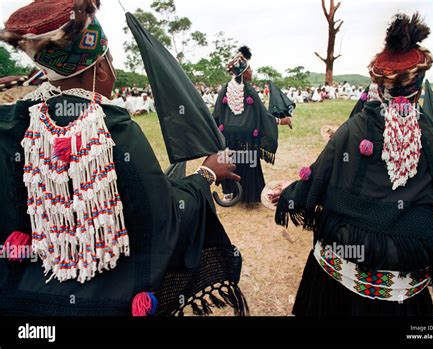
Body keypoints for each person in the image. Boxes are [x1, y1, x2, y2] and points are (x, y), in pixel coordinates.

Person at [0, 0, 248, 316]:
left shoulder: (9, 125)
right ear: (101, 68)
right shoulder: (113, 128)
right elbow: (163, 218)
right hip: (106, 306)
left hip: (19, 304)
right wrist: (205, 175)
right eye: (112, 61)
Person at [270, 13, 433, 317]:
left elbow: (318, 178)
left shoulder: (354, 129)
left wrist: (291, 193)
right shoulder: (429, 136)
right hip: (402, 284)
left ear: (378, 86)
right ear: (418, 90)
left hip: (342, 277)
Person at [213, 46, 290, 205]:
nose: (252, 71)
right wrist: (282, 121)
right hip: (247, 138)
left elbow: (216, 114)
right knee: (249, 160)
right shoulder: (249, 90)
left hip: (228, 136)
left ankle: (229, 192)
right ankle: (250, 195)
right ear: (243, 72)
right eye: (249, 69)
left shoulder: (224, 90)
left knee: (228, 159)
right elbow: (263, 116)